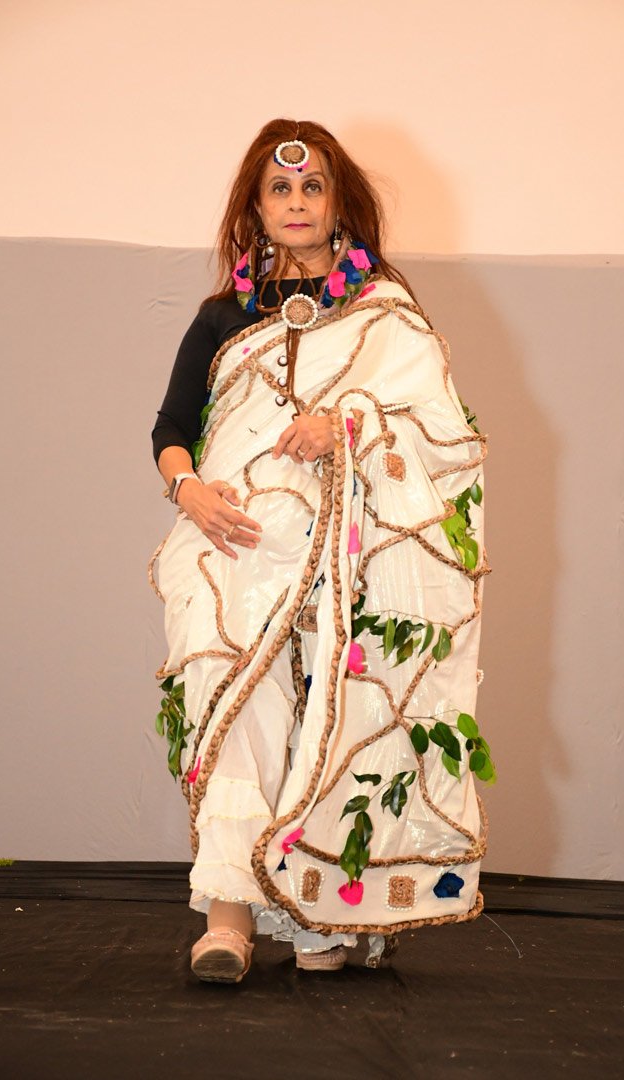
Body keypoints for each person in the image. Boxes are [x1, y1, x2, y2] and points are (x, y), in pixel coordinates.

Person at [150, 118, 493, 983]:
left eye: (312, 187)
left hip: (347, 549)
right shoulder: (223, 315)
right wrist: (189, 490)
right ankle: (227, 921)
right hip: (233, 546)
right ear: (255, 208)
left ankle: (315, 917)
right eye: (280, 188)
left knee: (326, 713)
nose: (296, 202)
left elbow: (441, 430)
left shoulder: (383, 310)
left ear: (339, 203)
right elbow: (171, 427)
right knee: (231, 702)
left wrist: (345, 424)